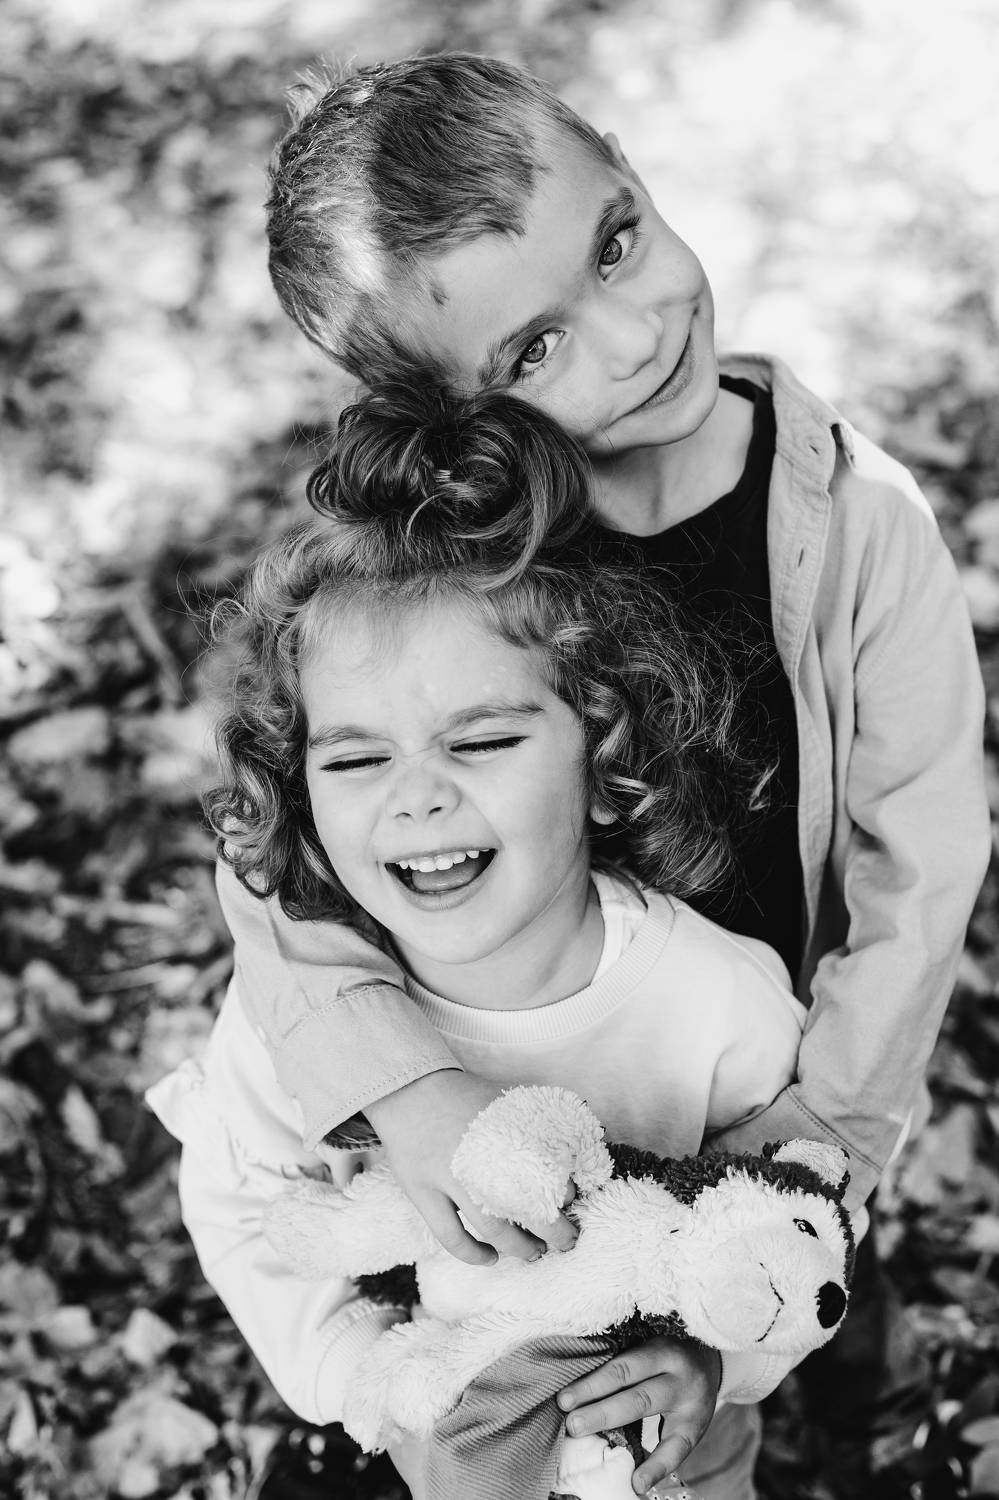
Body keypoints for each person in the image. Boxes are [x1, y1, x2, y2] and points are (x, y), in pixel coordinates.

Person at [232, 52, 989, 1499]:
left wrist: (812, 1149)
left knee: (812, 1301)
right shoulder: (446, 565)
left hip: (779, 1069)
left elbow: (920, 872)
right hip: (534, 1082)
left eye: (617, 243)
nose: (634, 336)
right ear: (440, 408)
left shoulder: (861, 527)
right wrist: (408, 1090)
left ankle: (866, 1419)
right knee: (576, 1376)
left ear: (629, 173)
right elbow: (275, 848)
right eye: (531, 351)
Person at [148, 385, 813, 1500]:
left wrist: (718, 1359)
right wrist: (365, 1379)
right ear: (301, 788)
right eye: (357, 760)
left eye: (484, 740)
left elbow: (796, 1212)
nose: (416, 797)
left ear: (600, 754)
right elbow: (245, 1203)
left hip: (673, 1458)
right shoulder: (298, 1022)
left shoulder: (718, 1003)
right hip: (435, 1444)